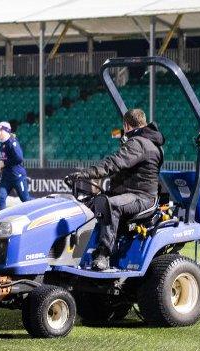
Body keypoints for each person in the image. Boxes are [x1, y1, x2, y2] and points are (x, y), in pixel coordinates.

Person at [68, 108, 164, 271]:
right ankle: (78, 251)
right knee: (91, 203)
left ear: (126, 125)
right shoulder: (148, 142)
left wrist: (85, 174)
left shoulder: (139, 143)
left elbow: (113, 163)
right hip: (131, 193)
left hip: (141, 197)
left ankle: (103, 254)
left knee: (111, 205)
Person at [0, 121, 30, 211]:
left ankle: (41, 206)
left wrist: (5, 163)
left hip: (17, 176)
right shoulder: (1, 143)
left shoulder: (12, 143)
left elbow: (19, 158)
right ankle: (0, 220)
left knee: (26, 200)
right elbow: (4, 158)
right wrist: (0, 165)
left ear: (7, 131)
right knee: (1, 198)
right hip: (6, 177)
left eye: (1, 130)